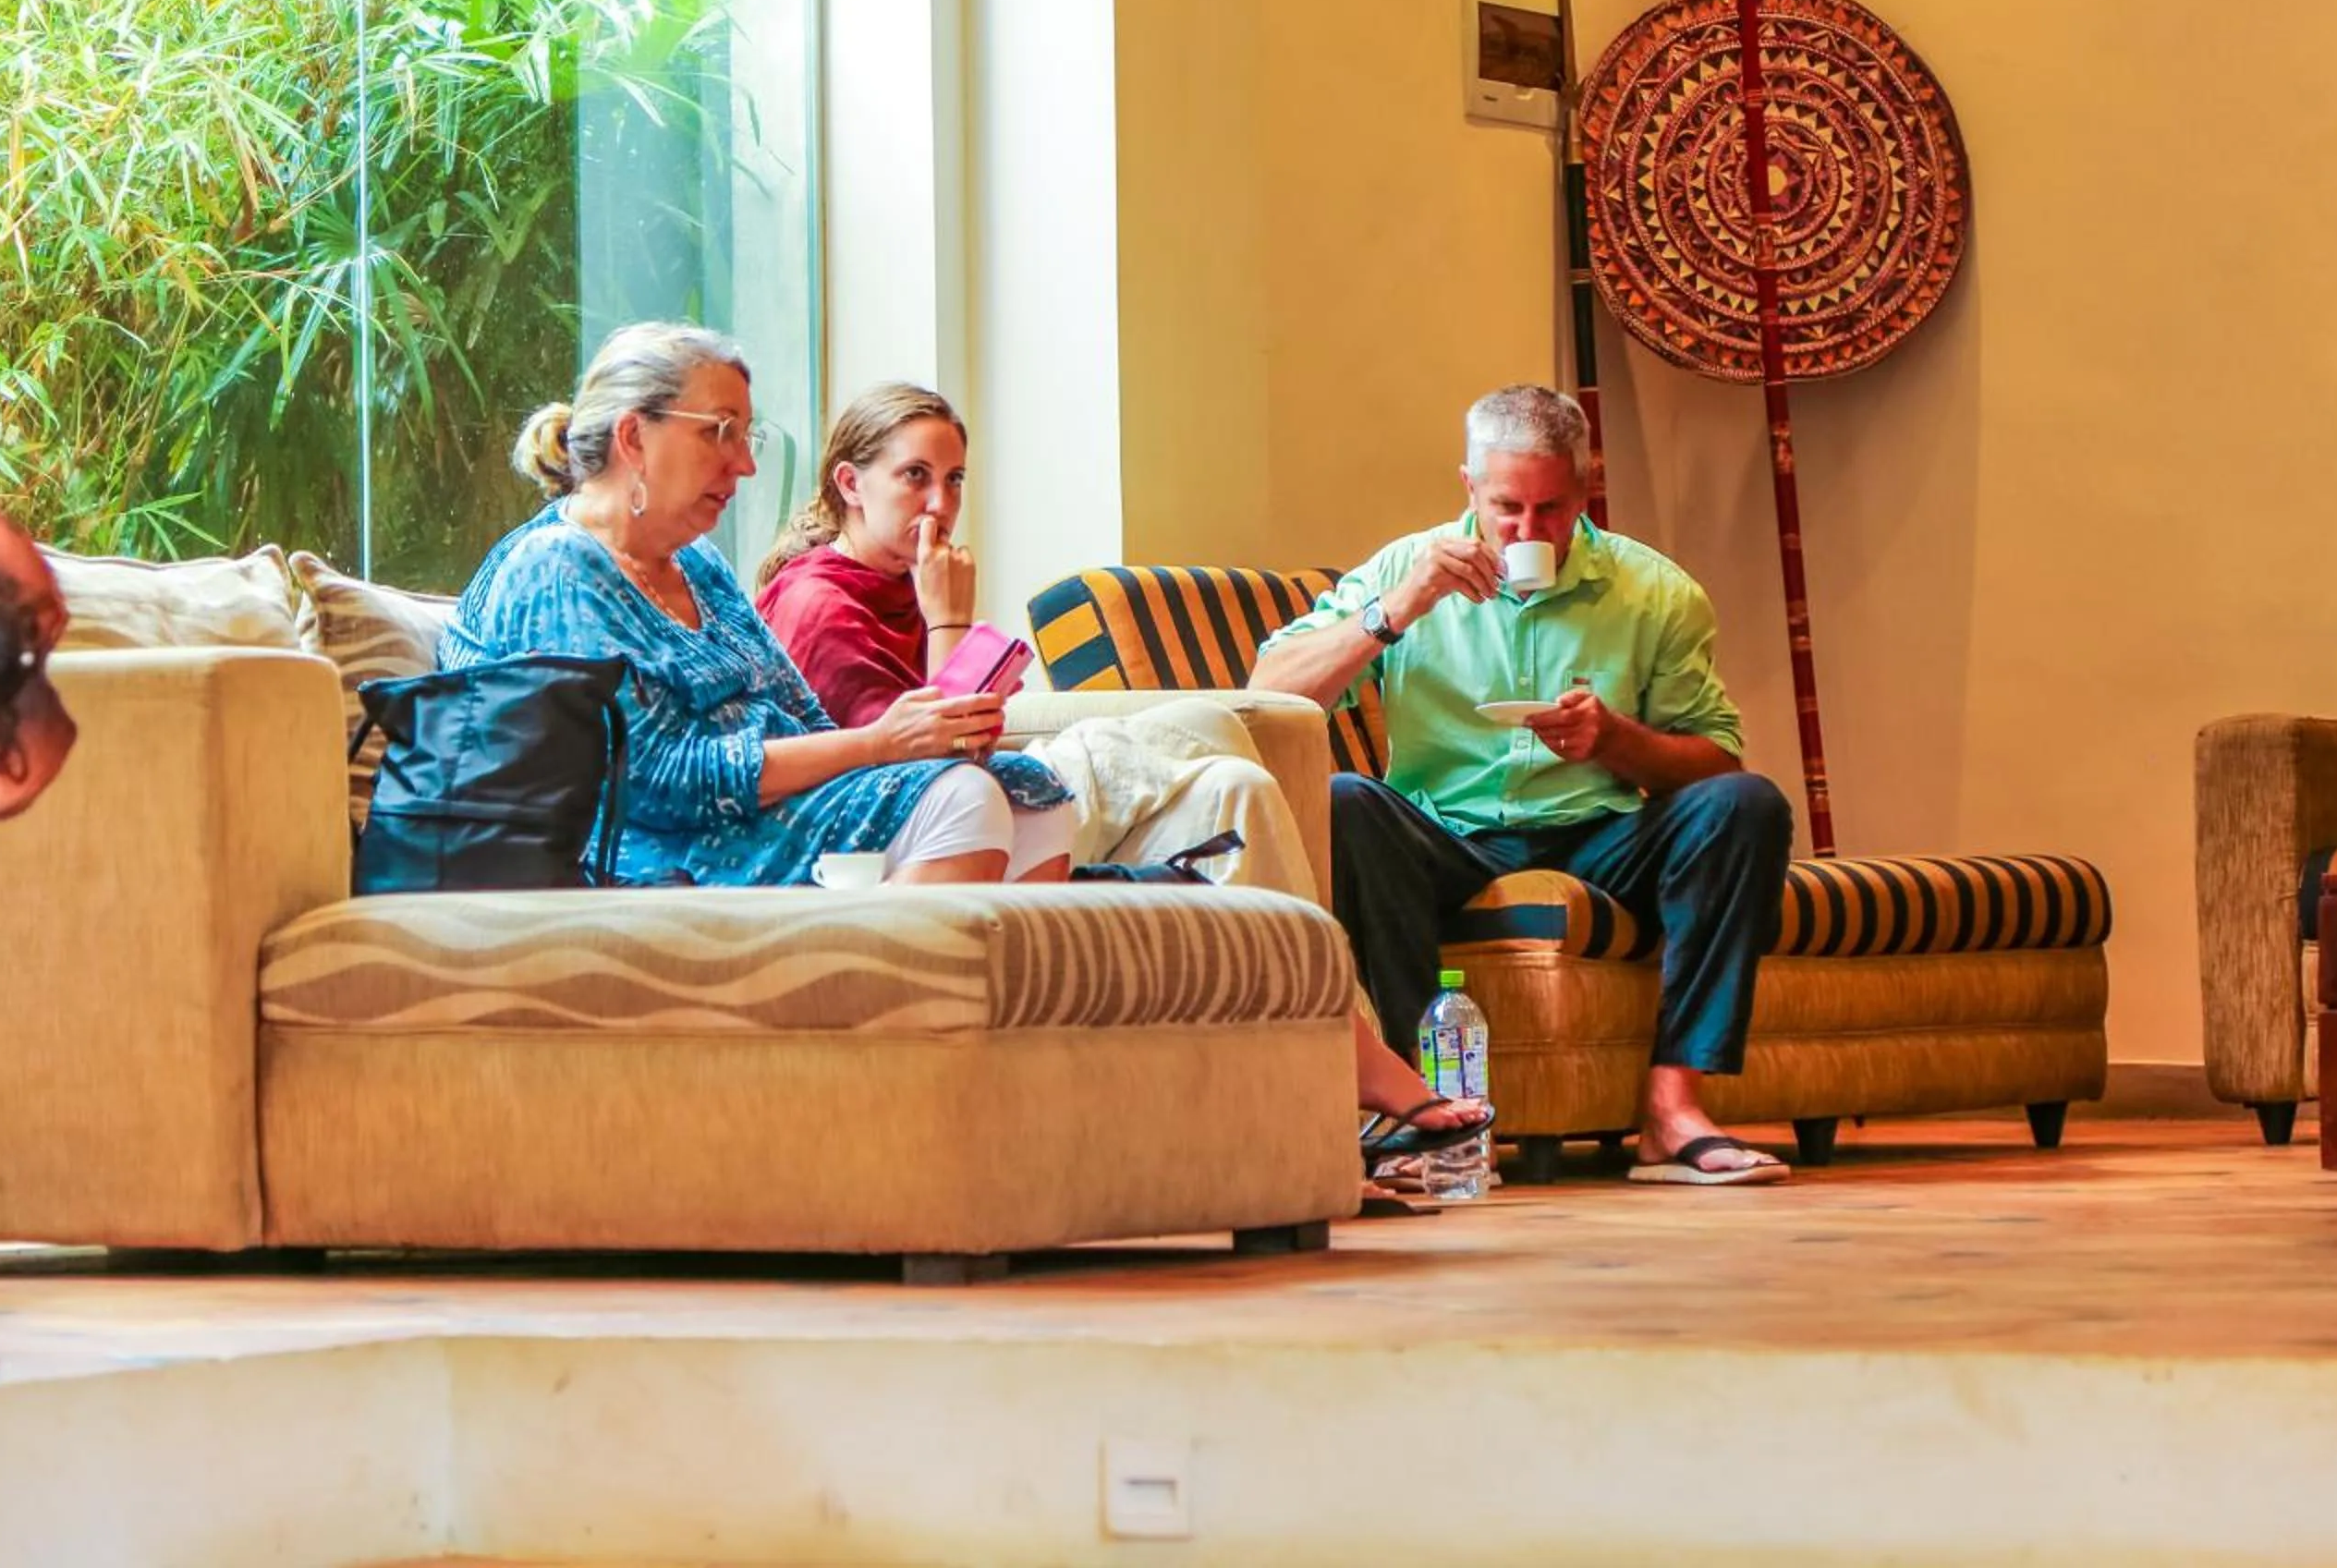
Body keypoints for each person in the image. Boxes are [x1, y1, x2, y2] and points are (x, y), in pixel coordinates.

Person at [756, 381, 1490, 1172]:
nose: (941, 502)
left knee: (1234, 793)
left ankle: (1304, 1115)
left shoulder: (910, 584)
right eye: (915, 476)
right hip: (927, 831)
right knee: (1211, 725)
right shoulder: (820, 603)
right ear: (849, 484)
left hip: (997, 798)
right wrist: (950, 624)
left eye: (956, 479)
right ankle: (1364, 1068)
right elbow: (928, 779)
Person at [1249, 383, 1795, 1185]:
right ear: (1468, 487)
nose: (1526, 531)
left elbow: (1717, 762)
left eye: (1551, 510)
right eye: (1508, 507)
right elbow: (1271, 689)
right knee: (1346, 804)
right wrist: (1397, 611)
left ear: (1585, 491)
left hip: (1599, 833)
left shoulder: (1656, 593)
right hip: (1448, 836)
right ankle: (1431, 1115)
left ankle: (1673, 1110)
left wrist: (1616, 740)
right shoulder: (1408, 569)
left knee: (1747, 807)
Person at [440, 324, 1077, 888]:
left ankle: (952, 1001)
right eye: (722, 433)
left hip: (753, 816)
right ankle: (865, 1009)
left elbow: (806, 722)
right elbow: (654, 781)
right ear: (634, 435)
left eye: (748, 438)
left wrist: (898, 743)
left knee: (1036, 797)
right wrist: (880, 746)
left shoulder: (697, 563)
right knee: (962, 799)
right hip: (649, 853)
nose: (744, 464)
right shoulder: (556, 568)